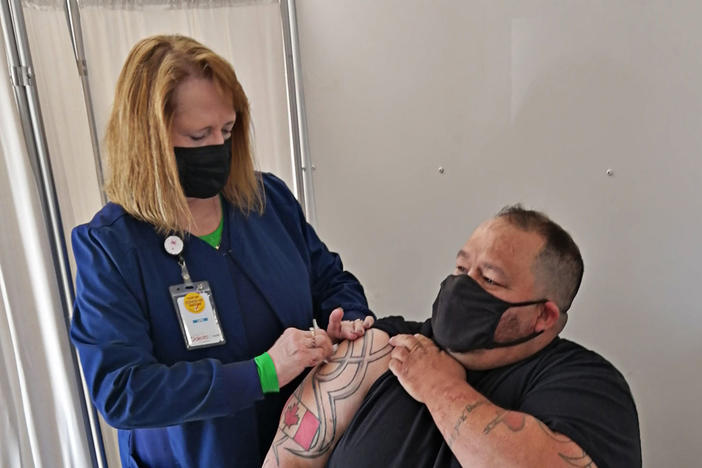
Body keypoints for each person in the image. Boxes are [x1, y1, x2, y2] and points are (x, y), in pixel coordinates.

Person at [69, 34, 375, 467]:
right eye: (198, 136)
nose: (219, 147)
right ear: (149, 141)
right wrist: (263, 372)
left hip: (302, 449)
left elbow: (329, 279)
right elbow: (123, 391)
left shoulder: (266, 201)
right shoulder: (112, 246)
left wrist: (346, 317)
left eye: (227, 130)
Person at [263, 205, 641, 468]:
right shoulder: (385, 344)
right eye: (461, 267)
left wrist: (440, 388)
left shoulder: (587, 385)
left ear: (543, 315)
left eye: (489, 279)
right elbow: (291, 456)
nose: (462, 286)